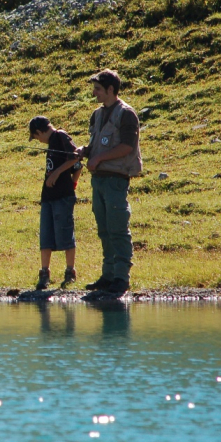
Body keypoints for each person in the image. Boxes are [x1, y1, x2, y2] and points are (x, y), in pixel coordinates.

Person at [76, 69, 143, 295]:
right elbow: (97, 145)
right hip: (99, 181)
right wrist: (85, 152)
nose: (94, 93)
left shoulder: (127, 114)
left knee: (118, 229)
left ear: (111, 90)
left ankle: (121, 278)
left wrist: (99, 158)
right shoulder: (97, 114)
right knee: (104, 230)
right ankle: (108, 275)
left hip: (116, 180)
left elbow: (127, 147)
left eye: (97, 89)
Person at [28, 116, 82, 290]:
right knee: (46, 236)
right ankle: (44, 274)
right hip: (48, 197)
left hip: (62, 196)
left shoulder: (60, 136)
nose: (38, 140)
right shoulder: (51, 144)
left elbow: (76, 159)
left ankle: (70, 272)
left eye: (36, 137)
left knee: (65, 233)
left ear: (39, 132)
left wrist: (58, 174)